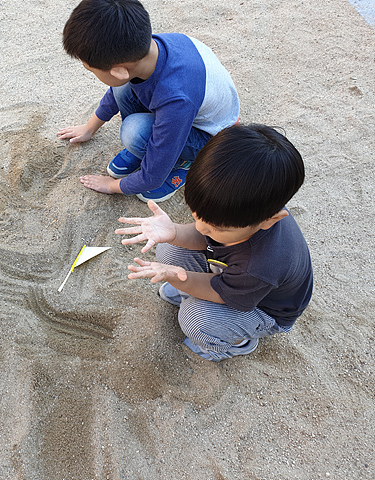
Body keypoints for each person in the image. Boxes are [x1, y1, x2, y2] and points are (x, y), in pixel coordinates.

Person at [115, 124, 313, 361]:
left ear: (270, 220)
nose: (200, 228)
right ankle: (194, 296)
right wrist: (173, 231)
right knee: (170, 246)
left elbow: (219, 291)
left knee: (196, 320)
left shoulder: (261, 264)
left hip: (263, 308)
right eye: (197, 215)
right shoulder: (247, 210)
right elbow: (204, 235)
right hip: (236, 277)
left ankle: (238, 343)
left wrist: (176, 277)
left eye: (216, 227)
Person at [57, 0, 239, 203]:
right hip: (186, 107)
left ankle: (185, 162)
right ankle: (147, 149)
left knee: (134, 131)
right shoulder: (149, 49)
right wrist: (90, 128)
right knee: (124, 88)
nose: (90, 72)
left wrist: (113, 186)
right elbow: (117, 88)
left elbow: (152, 178)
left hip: (210, 136)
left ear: (118, 71)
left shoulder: (176, 98)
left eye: (90, 69)